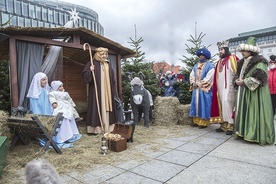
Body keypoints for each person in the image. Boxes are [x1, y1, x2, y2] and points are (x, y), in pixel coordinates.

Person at [233, 37, 275, 145]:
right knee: (244, 111)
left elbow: (260, 77)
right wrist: (237, 80)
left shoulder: (260, 62)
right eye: (242, 51)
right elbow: (239, 75)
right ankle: (243, 132)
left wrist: (244, 81)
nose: (242, 53)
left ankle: (254, 134)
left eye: (245, 51)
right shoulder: (242, 62)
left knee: (253, 111)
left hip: (255, 93)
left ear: (251, 51)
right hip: (244, 91)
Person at [82, 47, 117, 134]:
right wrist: (90, 71)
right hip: (96, 91)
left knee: (107, 106)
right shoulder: (91, 63)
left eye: (105, 54)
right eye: (102, 54)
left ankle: (108, 127)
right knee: (96, 106)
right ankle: (97, 129)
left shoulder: (108, 64)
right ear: (98, 54)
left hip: (107, 91)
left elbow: (112, 78)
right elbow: (85, 77)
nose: (104, 56)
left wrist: (112, 90)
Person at [210, 40, 239, 135]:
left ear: (226, 49)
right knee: (221, 104)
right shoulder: (219, 62)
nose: (220, 51)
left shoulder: (232, 58)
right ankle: (223, 125)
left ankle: (231, 125)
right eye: (219, 50)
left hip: (230, 87)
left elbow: (237, 71)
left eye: (222, 49)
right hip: (220, 88)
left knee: (228, 103)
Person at [49, 81, 82, 145]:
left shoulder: (65, 93)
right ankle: (64, 135)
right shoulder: (53, 93)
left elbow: (69, 99)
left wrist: (72, 105)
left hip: (67, 106)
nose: (62, 87)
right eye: (60, 86)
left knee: (70, 115)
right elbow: (52, 98)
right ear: (56, 87)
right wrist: (54, 103)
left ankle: (71, 133)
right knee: (63, 117)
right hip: (60, 107)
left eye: (62, 86)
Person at [189, 48, 215, 128]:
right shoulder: (195, 66)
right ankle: (196, 121)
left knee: (204, 105)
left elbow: (209, 78)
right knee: (195, 104)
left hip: (204, 90)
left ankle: (203, 122)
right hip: (196, 89)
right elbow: (192, 75)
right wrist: (193, 83)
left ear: (206, 56)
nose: (201, 57)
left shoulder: (210, 66)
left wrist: (199, 84)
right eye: (200, 55)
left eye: (202, 55)